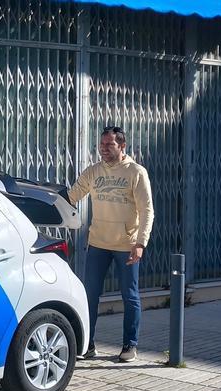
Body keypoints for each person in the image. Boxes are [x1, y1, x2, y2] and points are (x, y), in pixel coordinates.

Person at [68, 126, 154, 363]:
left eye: (110, 145)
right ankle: (88, 344)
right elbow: (72, 196)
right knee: (89, 295)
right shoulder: (93, 172)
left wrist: (140, 243)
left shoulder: (136, 172)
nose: (104, 149)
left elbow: (147, 211)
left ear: (122, 146)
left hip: (126, 245)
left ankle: (130, 345)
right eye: (101, 145)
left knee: (130, 295)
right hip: (98, 244)